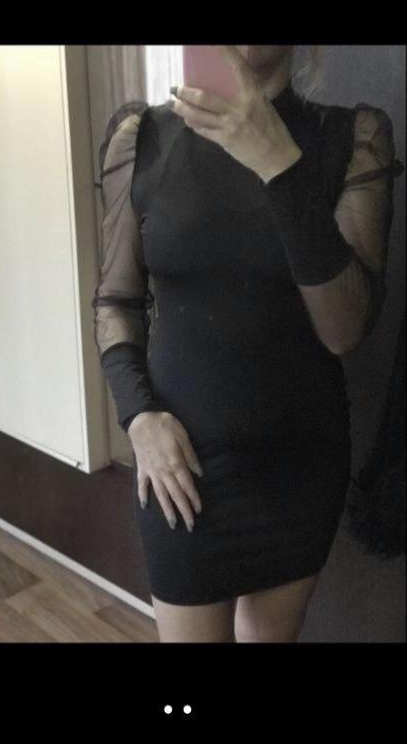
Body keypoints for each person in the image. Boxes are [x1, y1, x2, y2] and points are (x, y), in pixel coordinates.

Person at [91, 45, 404, 642]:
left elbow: (344, 330)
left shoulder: (352, 138)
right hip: (181, 469)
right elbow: (116, 302)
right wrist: (138, 417)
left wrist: (280, 165)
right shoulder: (143, 140)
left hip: (298, 468)